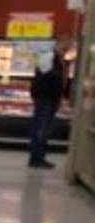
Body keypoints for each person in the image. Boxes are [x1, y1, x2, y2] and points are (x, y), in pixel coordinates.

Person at [27, 38, 67, 169]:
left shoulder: (60, 60)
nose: (67, 47)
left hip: (51, 100)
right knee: (40, 129)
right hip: (45, 99)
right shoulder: (49, 57)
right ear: (58, 44)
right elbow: (44, 77)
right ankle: (36, 158)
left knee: (45, 130)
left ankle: (40, 157)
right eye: (65, 44)